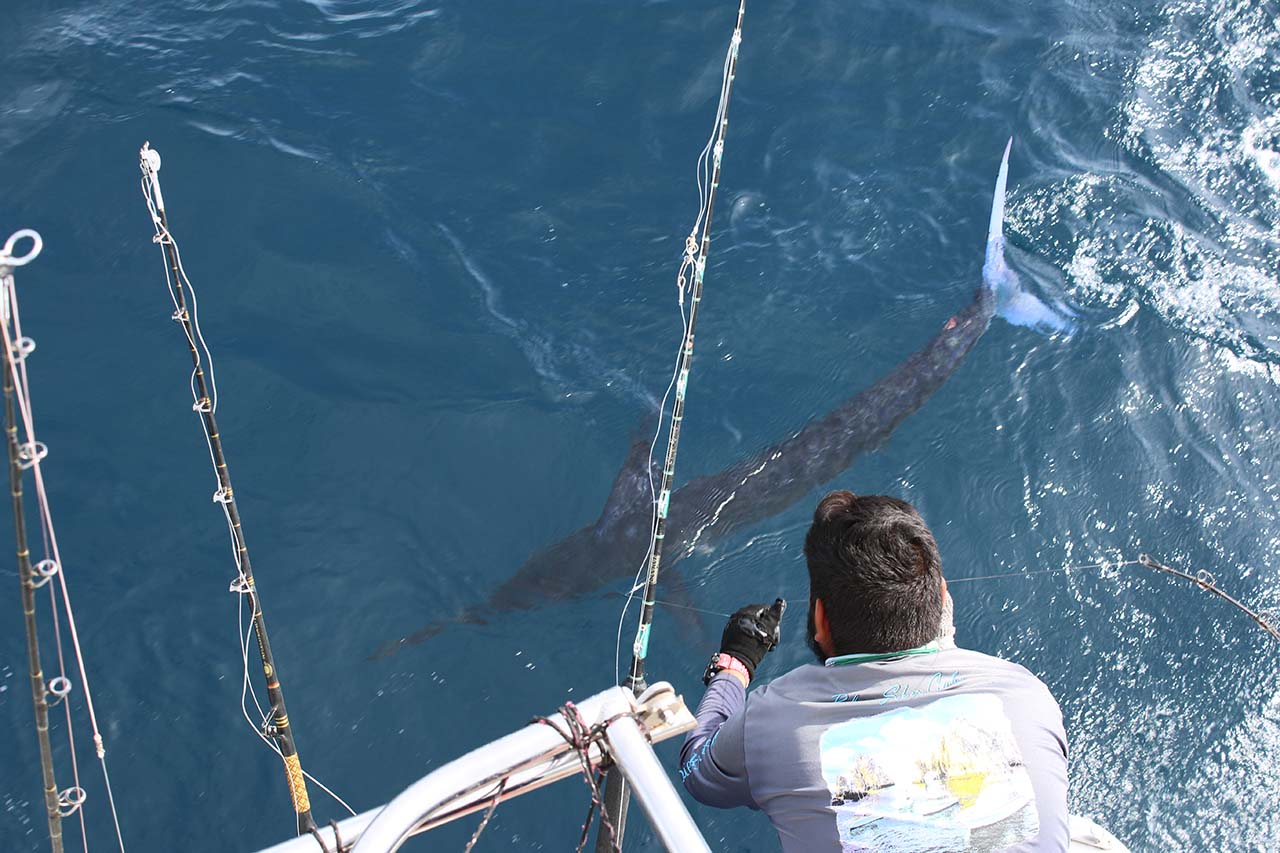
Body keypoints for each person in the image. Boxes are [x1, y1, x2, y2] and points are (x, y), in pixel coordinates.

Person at [678, 490, 1068, 852]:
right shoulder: (1025, 694)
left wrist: (735, 663)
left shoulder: (771, 718)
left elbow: (698, 774)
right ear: (944, 598)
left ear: (820, 620)